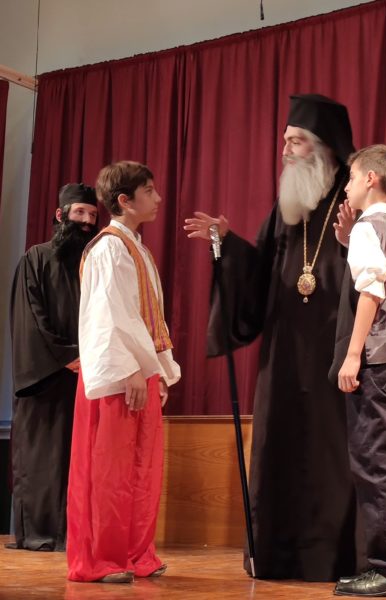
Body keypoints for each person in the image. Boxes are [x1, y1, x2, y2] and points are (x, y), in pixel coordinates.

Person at [184, 94, 361, 581]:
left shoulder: (356, 206)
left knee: (331, 456)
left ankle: (335, 559)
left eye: (295, 141)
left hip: (336, 353)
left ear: (324, 147)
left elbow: (378, 273)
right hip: (284, 356)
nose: (285, 150)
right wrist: (227, 245)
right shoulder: (287, 211)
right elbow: (260, 273)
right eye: (284, 141)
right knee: (278, 449)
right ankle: (277, 554)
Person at [66, 161, 180, 583]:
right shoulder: (109, 248)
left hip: (139, 370)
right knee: (109, 470)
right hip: (118, 373)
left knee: (140, 470)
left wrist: (158, 371)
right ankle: (101, 558)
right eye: (149, 191)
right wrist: (131, 369)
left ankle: (135, 553)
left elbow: (146, 315)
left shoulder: (136, 248)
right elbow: (107, 315)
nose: (158, 198)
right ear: (124, 200)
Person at [331, 145, 386, 597]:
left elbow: (372, 292)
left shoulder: (370, 226)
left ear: (370, 178)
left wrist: (352, 355)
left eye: (351, 177)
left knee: (375, 462)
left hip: (377, 356)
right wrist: (349, 243)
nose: (346, 186)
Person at [8, 184, 99, 551]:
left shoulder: (94, 265)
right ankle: (40, 534)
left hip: (88, 375)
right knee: (43, 458)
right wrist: (65, 356)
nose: (87, 222)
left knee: (79, 458)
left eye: (93, 215)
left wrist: (92, 357)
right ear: (61, 215)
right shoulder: (36, 258)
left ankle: (73, 534)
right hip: (46, 377)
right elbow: (31, 317)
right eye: (80, 213)